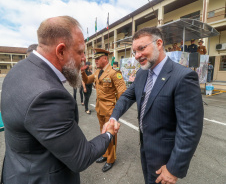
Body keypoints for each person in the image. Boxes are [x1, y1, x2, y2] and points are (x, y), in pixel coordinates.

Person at [1, 16, 119, 184]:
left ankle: (110, 158)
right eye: (80, 52)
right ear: (61, 51)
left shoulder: (18, 70)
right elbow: (81, 157)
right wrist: (109, 134)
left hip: (17, 171)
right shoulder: (47, 95)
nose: (84, 58)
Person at [104, 27, 203, 184]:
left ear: (158, 43)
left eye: (141, 48)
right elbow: (127, 96)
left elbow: (190, 129)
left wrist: (174, 168)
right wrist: (114, 117)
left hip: (165, 158)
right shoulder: (142, 73)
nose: (137, 56)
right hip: (145, 148)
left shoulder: (183, 77)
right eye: (134, 51)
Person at [81, 48, 127, 172]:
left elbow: (123, 92)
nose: (95, 61)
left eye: (97, 59)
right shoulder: (97, 72)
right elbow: (87, 80)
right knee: (103, 133)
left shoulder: (113, 72)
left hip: (110, 110)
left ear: (105, 59)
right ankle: (106, 154)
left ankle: (111, 159)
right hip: (100, 109)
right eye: (95, 59)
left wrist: (118, 111)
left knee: (111, 135)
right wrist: (82, 73)